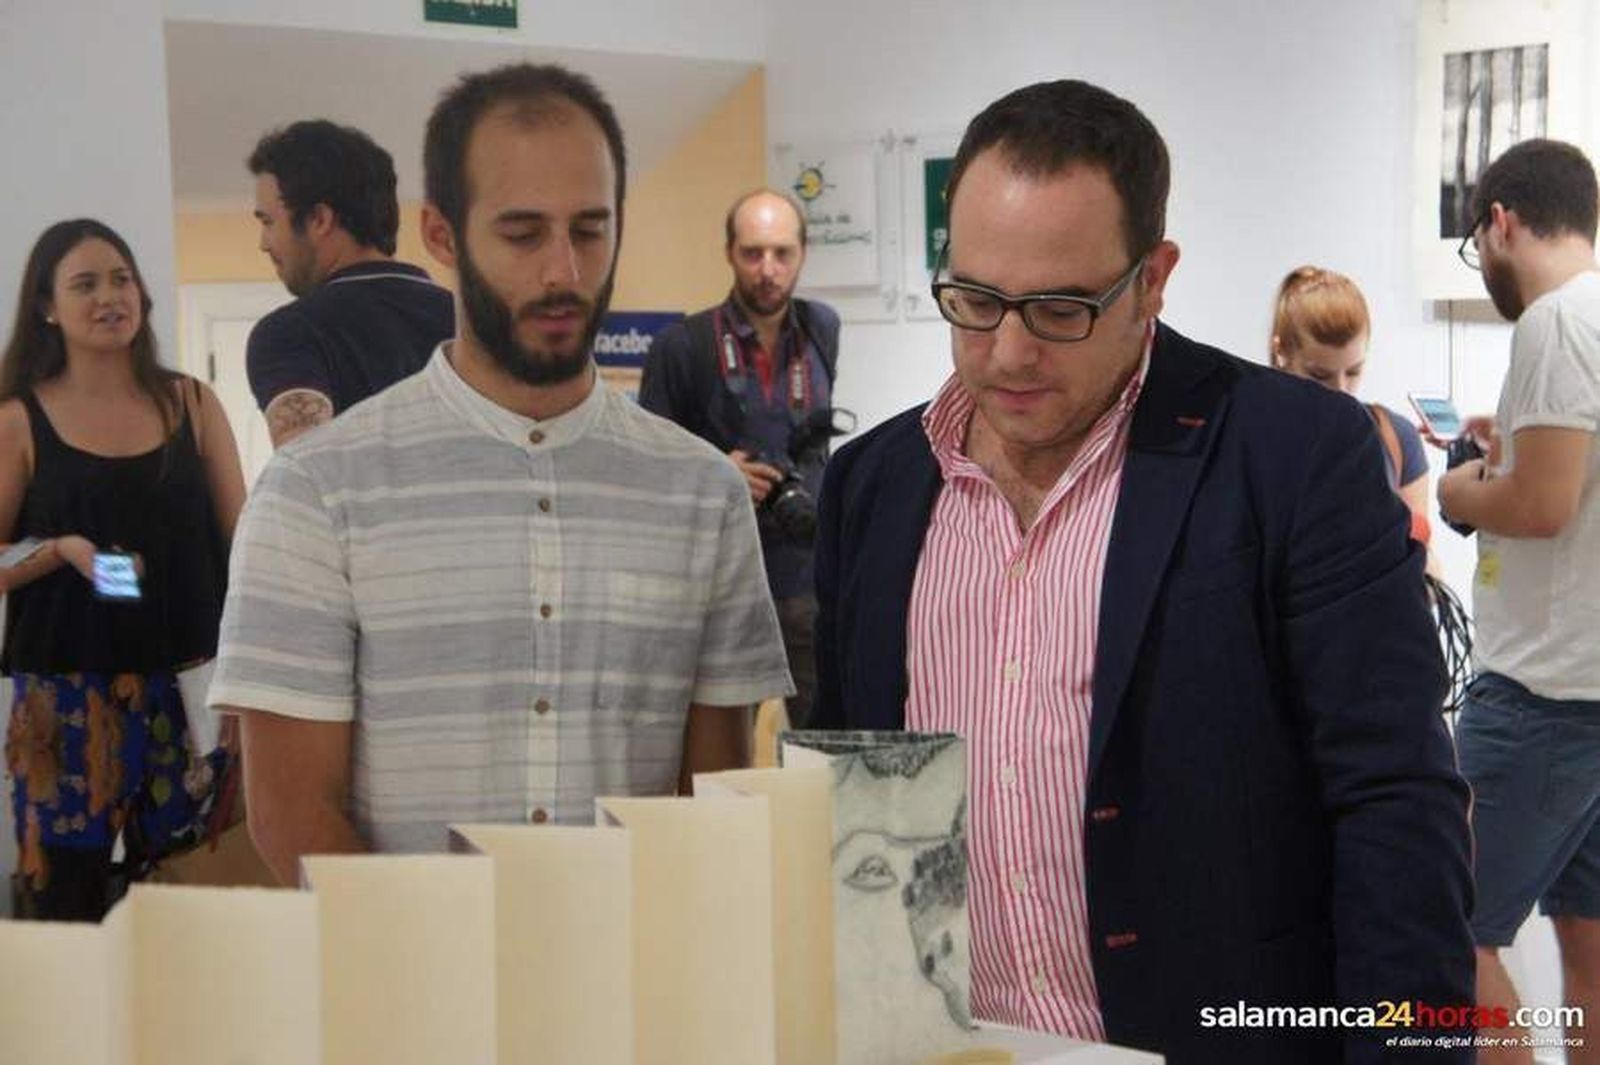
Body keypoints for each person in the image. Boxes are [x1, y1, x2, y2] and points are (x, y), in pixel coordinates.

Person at [811, 80, 1473, 1062]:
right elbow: (853, 804)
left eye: (1062, 308)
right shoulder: (873, 486)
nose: (1008, 351)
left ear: (1153, 279)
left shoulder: (1293, 457)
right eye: (976, 301)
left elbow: (1396, 805)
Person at [211, 63, 792, 885]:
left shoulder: (700, 492)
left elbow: (709, 795)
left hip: (631, 984)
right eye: (522, 233)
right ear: (442, 235)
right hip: (406, 988)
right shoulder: (318, 489)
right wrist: (438, 979)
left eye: (590, 230)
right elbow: (294, 814)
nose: (563, 271)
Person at [0, 219, 246, 920]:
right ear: (47, 306)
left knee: (192, 899)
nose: (111, 296)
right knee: (63, 904)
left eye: (122, 278)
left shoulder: (191, 403)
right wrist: (64, 551)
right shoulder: (20, 421)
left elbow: (245, 544)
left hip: (194, 686)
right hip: (67, 702)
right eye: (86, 284)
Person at [1437, 138, 1600, 1065]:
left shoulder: (1553, 322)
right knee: (1589, 943)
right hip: (1590, 695)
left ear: (1499, 221)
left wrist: (1459, 492)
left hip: (1538, 698)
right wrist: (1516, 450)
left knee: (1447, 935)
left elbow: (1539, 507)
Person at [638, 189, 840, 729]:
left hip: (803, 575)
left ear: (803, 252)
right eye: (752, 253)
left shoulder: (824, 330)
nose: (768, 270)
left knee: (825, 743)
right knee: (716, 752)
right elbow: (646, 469)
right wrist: (713, 473)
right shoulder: (681, 346)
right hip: (720, 584)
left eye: (782, 253)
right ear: (728, 252)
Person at [247, 119, 454, 447]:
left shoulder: (291, 332)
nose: (264, 243)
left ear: (319, 219)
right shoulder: (471, 321)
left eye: (269, 222)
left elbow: (310, 472)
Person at [1269, 265, 1440, 564]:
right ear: (1281, 351)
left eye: (1354, 371)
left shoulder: (1396, 437)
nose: (1341, 390)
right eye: (1319, 374)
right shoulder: (1247, 439)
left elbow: (1423, 559)